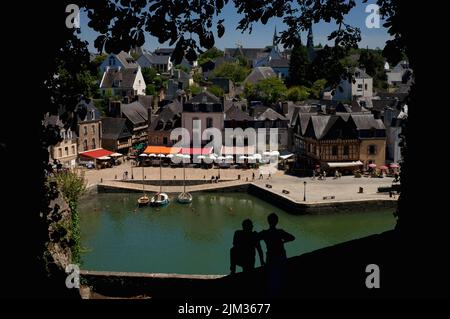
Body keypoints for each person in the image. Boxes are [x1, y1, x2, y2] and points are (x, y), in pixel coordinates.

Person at [258, 213, 295, 296]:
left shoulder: (265, 233)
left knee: (271, 278)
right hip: (281, 255)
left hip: (271, 256)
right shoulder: (280, 232)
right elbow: (292, 238)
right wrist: (283, 241)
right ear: (277, 222)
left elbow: (255, 238)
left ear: (268, 221)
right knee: (281, 276)